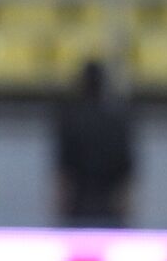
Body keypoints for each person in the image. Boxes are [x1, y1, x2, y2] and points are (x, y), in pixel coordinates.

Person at [53, 59, 135, 228]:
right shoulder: (116, 120)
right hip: (110, 202)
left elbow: (63, 168)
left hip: (78, 201)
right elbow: (126, 167)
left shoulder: (70, 119)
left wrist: (61, 202)